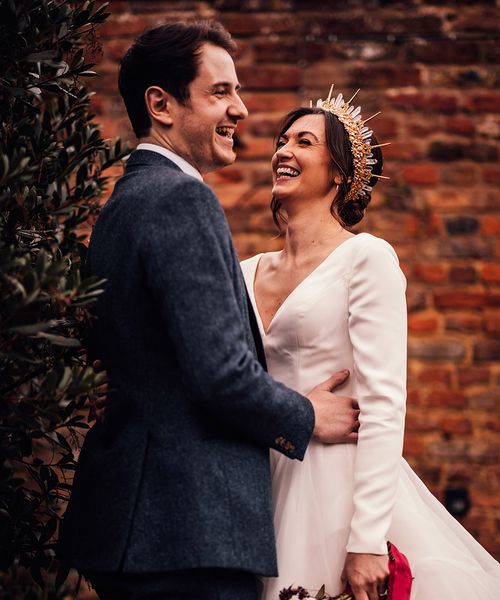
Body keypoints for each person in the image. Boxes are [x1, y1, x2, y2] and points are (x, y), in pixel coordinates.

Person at [57, 23, 361, 600]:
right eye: (220, 92)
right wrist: (305, 415)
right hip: (186, 528)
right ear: (161, 105)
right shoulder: (180, 197)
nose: (240, 109)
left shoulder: (123, 203)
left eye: (237, 91)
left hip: (136, 524)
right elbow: (218, 372)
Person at [240, 89, 500, 600]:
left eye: (304, 142)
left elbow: (384, 403)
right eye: (281, 140)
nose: (283, 151)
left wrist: (366, 541)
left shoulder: (366, 259)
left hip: (336, 487)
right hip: (259, 484)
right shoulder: (244, 272)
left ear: (338, 173)